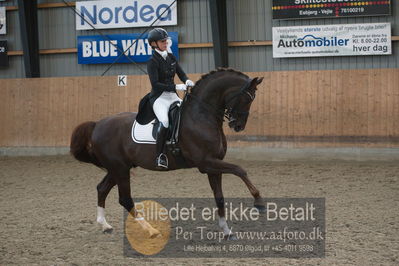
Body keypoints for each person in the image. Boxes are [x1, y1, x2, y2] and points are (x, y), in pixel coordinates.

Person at [146, 28, 194, 169]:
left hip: (173, 96)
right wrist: (175, 87)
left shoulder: (171, 57)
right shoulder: (152, 62)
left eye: (166, 40)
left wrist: (187, 81)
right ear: (154, 44)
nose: (165, 43)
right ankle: (160, 156)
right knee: (165, 122)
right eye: (162, 41)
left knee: (186, 114)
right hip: (159, 98)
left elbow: (181, 73)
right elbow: (155, 84)